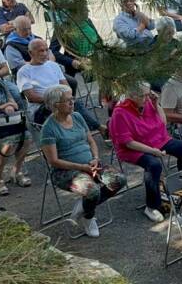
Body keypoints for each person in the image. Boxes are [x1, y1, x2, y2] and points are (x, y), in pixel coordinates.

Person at [40, 85, 126, 238]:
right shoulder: (48, 129)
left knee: (119, 179)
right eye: (68, 101)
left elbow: (91, 141)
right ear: (55, 105)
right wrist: (81, 167)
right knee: (92, 190)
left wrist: (95, 158)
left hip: (90, 164)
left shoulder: (78, 117)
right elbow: (53, 161)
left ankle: (83, 207)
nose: (72, 102)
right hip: (65, 172)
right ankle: (88, 217)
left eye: (72, 99)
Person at [108, 82, 182, 223]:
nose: (147, 97)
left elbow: (163, 123)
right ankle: (152, 206)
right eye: (143, 95)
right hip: (133, 148)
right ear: (131, 96)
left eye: (148, 94)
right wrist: (152, 151)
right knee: (153, 165)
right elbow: (128, 142)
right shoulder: (120, 113)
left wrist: (156, 104)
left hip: (157, 140)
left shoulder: (148, 102)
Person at [17, 39, 103, 133]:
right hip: (41, 108)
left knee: (74, 103)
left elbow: (66, 87)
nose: (45, 53)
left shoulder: (53, 65)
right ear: (31, 53)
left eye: (47, 50)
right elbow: (32, 97)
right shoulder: (24, 72)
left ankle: (95, 130)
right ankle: (97, 130)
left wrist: (64, 98)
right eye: (41, 51)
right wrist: (56, 100)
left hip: (61, 102)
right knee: (69, 107)